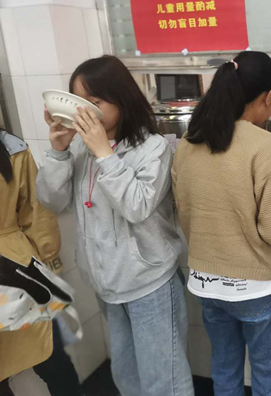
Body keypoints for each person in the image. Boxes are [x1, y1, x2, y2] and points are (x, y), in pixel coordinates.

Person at [36, 56, 194, 396]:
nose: (84, 111)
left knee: (164, 381)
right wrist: (59, 151)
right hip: (106, 283)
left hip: (149, 282)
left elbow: (136, 206)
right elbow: (52, 201)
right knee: (125, 375)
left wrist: (105, 154)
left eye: (94, 102)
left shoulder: (153, 147)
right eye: (78, 101)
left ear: (121, 100)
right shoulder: (80, 148)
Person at [172, 51, 271, 396]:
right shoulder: (265, 145)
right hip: (256, 287)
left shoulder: (188, 142)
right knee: (270, 376)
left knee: (225, 369)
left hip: (206, 283)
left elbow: (186, 213)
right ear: (269, 96)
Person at [0, 128, 83, 396]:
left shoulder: (11, 148)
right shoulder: (12, 148)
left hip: (15, 264)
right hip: (17, 262)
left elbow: (36, 213)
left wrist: (48, 260)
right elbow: (35, 214)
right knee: (50, 355)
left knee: (49, 350)